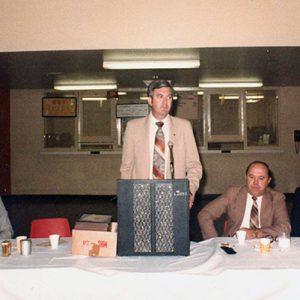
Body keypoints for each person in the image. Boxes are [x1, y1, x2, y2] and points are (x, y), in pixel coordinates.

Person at [120, 79, 202, 208]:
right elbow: (126, 167)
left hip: (174, 199)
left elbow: (194, 167)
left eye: (169, 97)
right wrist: (126, 197)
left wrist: (189, 191)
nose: (165, 102)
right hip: (141, 199)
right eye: (160, 97)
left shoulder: (184, 127)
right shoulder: (133, 127)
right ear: (150, 100)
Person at [198, 161, 291, 240]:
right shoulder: (233, 193)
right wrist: (214, 242)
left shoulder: (276, 197)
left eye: (261, 178)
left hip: (263, 244)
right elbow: (205, 214)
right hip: (235, 243)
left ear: (268, 181)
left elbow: (285, 227)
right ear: (245, 177)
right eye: (251, 177)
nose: (255, 182)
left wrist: (255, 233)